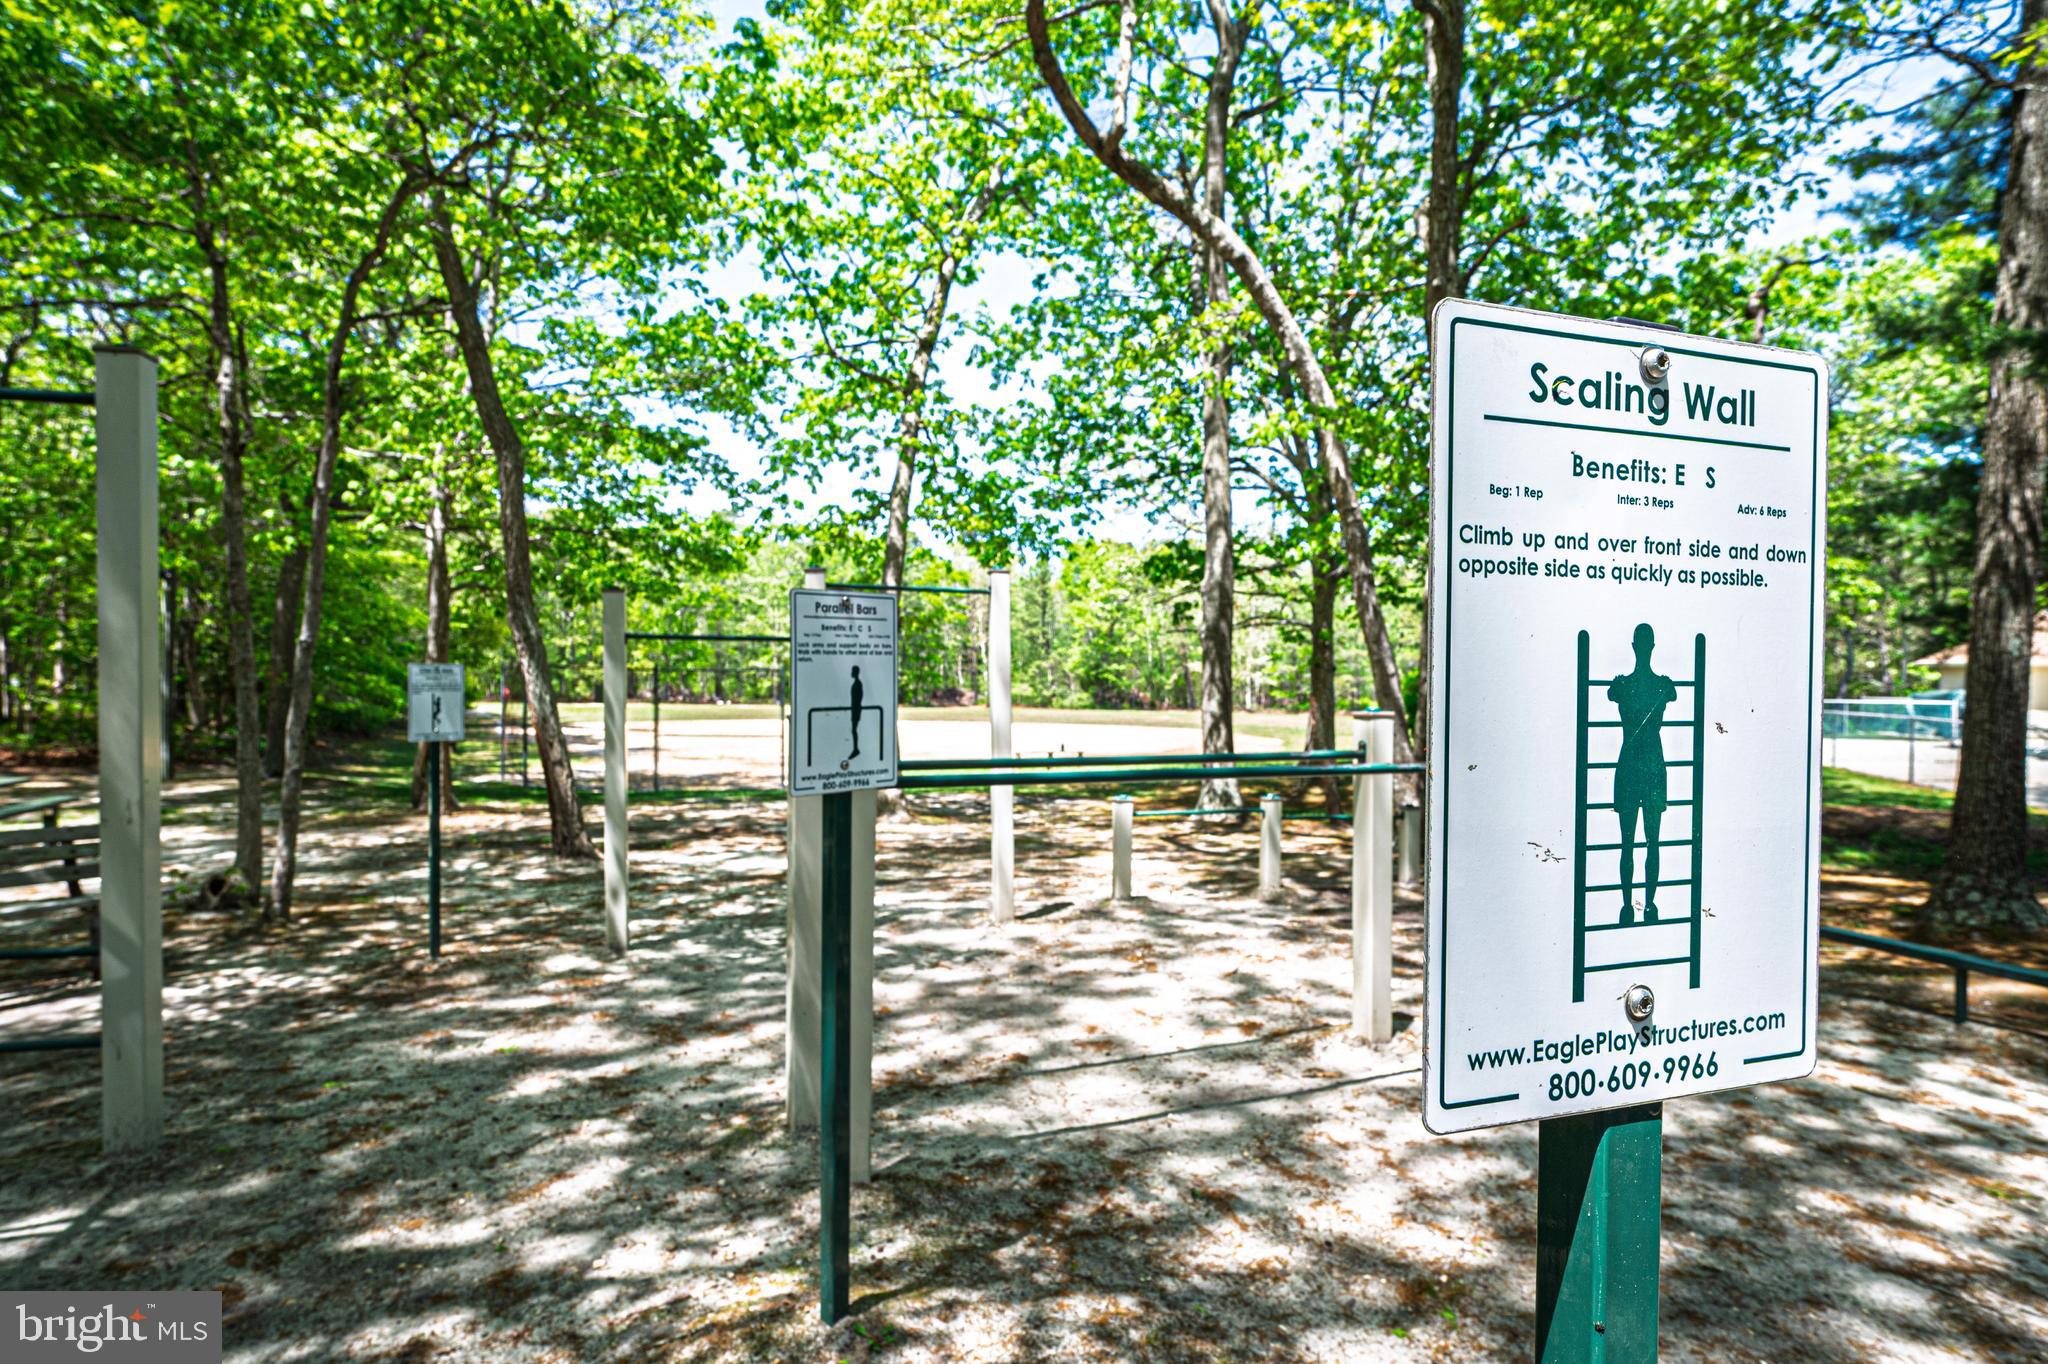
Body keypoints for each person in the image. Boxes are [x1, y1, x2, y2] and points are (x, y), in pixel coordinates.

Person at [1608, 623, 1677, 925]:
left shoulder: (1624, 686)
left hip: (1635, 764)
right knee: (1651, 841)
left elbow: (1613, 693)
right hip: (1649, 763)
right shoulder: (1661, 685)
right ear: (1651, 647)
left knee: (1634, 842)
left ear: (1635, 646)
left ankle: (1632, 905)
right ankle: (1646, 904)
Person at [847, 665, 864, 763]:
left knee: (854, 729)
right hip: (855, 709)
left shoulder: (858, 684)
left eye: (852, 671)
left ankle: (856, 749)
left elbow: (858, 698)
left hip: (856, 709)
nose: (851, 673)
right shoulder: (856, 683)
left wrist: (856, 707)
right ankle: (855, 748)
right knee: (853, 730)